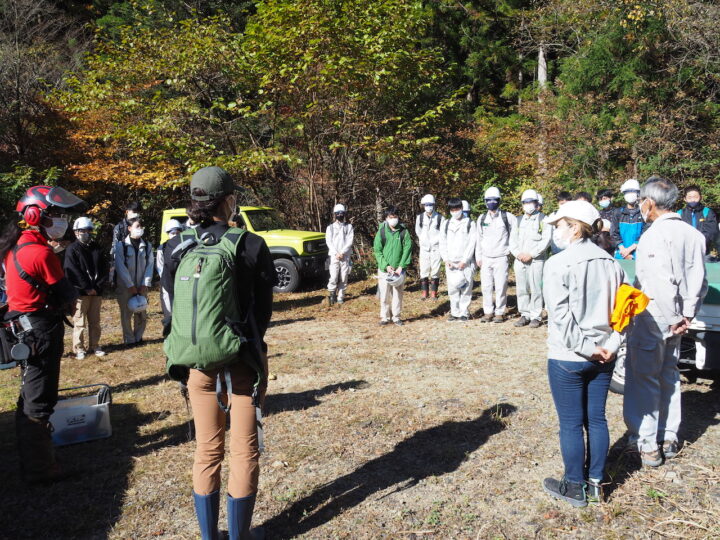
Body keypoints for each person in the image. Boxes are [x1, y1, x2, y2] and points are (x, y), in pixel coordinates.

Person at [164, 166, 276, 540]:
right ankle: (240, 536)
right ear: (228, 201)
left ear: (194, 202)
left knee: (207, 451)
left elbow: (169, 312)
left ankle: (210, 537)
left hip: (196, 365)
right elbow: (263, 313)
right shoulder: (250, 244)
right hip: (242, 363)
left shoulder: (174, 246)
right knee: (244, 452)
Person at [541, 200, 627, 507]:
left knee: (571, 423)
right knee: (597, 420)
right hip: (605, 355)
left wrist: (589, 349)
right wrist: (610, 347)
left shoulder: (557, 264)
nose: (555, 231)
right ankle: (596, 483)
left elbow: (561, 319)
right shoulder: (613, 265)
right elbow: (625, 313)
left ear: (575, 228)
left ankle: (575, 485)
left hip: (570, 356)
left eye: (559, 225)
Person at [0, 185, 86, 483]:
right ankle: (40, 470)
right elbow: (68, 296)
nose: (61, 221)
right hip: (40, 331)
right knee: (39, 398)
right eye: (56, 215)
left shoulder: (15, 247)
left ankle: (35, 460)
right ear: (36, 215)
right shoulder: (40, 253)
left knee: (29, 394)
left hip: (23, 329)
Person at [624, 176, 708, 467]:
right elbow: (701, 280)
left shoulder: (654, 235)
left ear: (649, 203)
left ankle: (647, 443)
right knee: (669, 374)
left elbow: (659, 281)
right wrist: (688, 314)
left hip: (656, 314)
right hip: (679, 316)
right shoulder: (693, 234)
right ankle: (669, 436)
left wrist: (674, 317)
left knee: (643, 376)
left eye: (642, 202)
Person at [63, 217, 109, 359]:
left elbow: (104, 269)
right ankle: (79, 348)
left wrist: (97, 286)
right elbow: (72, 271)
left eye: (88, 230)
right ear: (76, 232)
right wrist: (87, 287)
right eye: (82, 230)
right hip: (80, 293)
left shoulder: (97, 248)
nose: (86, 233)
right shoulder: (72, 249)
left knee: (95, 322)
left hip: (96, 292)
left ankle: (95, 345)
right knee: (80, 322)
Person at [510, 189, 552, 328]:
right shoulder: (518, 220)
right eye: (525, 202)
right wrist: (518, 254)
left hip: (536, 260)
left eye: (531, 202)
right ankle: (524, 314)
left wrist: (531, 254)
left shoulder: (544, 219)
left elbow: (546, 240)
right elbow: (512, 241)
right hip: (520, 260)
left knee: (536, 289)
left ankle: (536, 316)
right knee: (521, 288)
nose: (528, 205)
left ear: (536, 203)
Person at [475, 187, 515, 323]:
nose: (491, 202)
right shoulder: (481, 218)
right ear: (485, 202)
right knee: (486, 287)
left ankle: (499, 312)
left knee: (501, 286)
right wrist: (478, 257)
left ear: (499, 201)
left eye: (494, 200)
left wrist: (510, 251)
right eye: (488, 200)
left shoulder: (508, 217)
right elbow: (478, 239)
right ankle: (488, 312)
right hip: (486, 258)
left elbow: (515, 236)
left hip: (501, 257)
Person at [114, 217, 154, 345]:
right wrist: (130, 285)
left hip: (141, 285)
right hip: (126, 286)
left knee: (141, 312)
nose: (140, 229)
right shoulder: (121, 246)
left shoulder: (147, 245)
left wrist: (145, 283)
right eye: (137, 226)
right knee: (126, 314)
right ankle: (129, 340)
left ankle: (138, 337)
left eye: (141, 226)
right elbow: (120, 266)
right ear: (129, 228)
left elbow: (150, 265)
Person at [373, 206, 412, 326]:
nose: (393, 219)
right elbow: (377, 251)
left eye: (395, 217)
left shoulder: (404, 231)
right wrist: (386, 266)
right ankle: (384, 317)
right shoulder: (381, 232)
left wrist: (401, 266)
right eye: (391, 217)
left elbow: (407, 249)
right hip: (384, 270)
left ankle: (396, 317)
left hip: (399, 270)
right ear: (386, 218)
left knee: (398, 294)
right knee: (384, 294)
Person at [440, 198, 476, 322]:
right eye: (452, 209)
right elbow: (442, 242)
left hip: (465, 262)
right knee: (452, 289)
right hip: (451, 262)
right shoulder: (446, 224)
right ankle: (454, 312)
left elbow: (472, 243)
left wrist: (465, 260)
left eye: (457, 209)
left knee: (466, 288)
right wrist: (446, 259)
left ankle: (464, 312)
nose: (455, 212)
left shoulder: (470, 223)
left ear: (461, 209)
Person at [611, 179, 647, 260]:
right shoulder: (618, 212)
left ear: (638, 193)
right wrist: (623, 250)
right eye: (627, 191)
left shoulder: (643, 212)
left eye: (633, 191)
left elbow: (645, 233)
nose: (630, 193)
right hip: (621, 254)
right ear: (623, 194)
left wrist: (631, 249)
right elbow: (614, 234)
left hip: (639, 255)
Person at [157, 219, 184, 330]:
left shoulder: (186, 246)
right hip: (167, 282)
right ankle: (169, 329)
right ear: (168, 234)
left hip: (182, 281)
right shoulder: (162, 247)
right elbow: (160, 266)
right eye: (172, 233)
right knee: (168, 307)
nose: (175, 235)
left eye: (177, 233)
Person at [415, 194, 442, 300]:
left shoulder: (440, 218)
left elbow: (442, 233)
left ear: (434, 205)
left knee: (436, 270)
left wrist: (435, 242)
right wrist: (424, 241)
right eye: (426, 205)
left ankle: (434, 293)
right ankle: (424, 292)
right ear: (423, 205)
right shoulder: (420, 218)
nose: (428, 206)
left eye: (430, 204)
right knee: (424, 270)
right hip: (424, 248)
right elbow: (418, 231)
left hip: (436, 248)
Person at [325, 203, 354, 305]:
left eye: (342, 213)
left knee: (344, 277)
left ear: (344, 214)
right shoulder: (330, 228)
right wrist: (336, 253)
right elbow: (329, 242)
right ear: (335, 214)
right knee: (333, 276)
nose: (340, 215)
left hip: (345, 256)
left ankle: (341, 296)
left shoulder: (349, 227)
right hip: (334, 256)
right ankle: (332, 294)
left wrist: (342, 252)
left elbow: (349, 241)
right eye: (338, 213)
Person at [677, 185, 717, 257]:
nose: (693, 200)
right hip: (684, 253)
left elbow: (712, 232)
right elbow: (676, 233)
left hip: (704, 253)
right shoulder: (679, 213)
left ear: (700, 197)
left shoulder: (707, 212)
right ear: (685, 199)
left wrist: (699, 245)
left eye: (695, 197)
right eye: (690, 197)